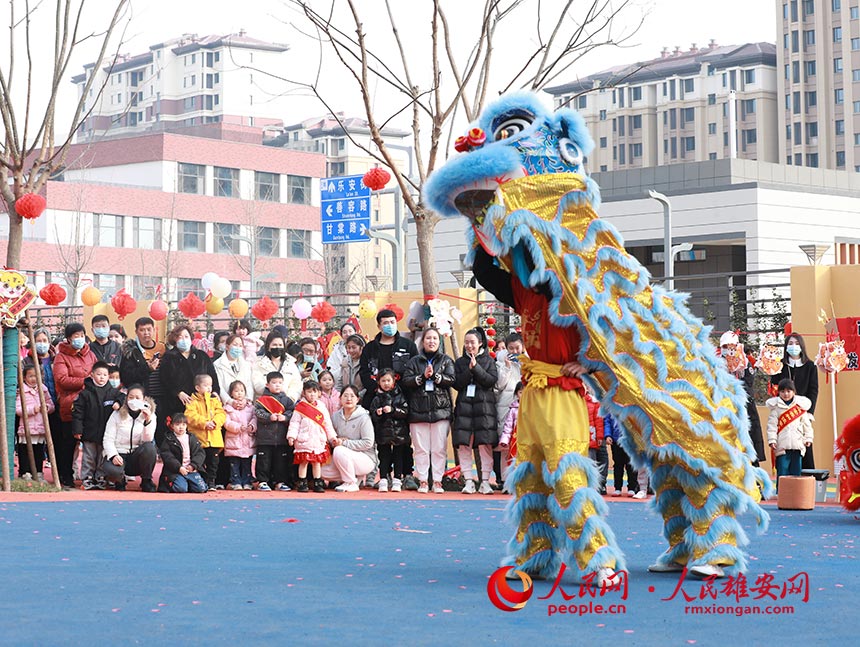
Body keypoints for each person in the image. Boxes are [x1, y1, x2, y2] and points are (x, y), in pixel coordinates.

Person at [360, 309, 418, 488]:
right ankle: (383, 475)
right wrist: (376, 390)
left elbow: (414, 369)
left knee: (403, 440)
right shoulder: (370, 348)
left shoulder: (407, 346)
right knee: (382, 441)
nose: (389, 326)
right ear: (378, 325)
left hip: (402, 401)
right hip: (377, 401)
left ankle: (406, 475)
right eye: (385, 323)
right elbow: (364, 372)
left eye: (392, 322)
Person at [401, 327, 456, 494]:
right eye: (428, 338)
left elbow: (452, 379)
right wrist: (422, 377)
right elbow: (406, 381)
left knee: (439, 448)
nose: (431, 341)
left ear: (439, 342)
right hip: (418, 411)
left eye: (434, 339)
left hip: (441, 411)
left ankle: (438, 480)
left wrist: (436, 377)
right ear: (422, 341)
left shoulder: (446, 360)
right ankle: (423, 479)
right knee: (421, 448)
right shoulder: (414, 361)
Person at [452, 328, 498, 495]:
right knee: (464, 445)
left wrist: (477, 368)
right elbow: (456, 383)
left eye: (472, 342)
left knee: (485, 445)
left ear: (480, 343)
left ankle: (485, 481)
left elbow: (491, 381)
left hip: (484, 409)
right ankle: (468, 481)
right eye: (467, 342)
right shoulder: (459, 362)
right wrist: (469, 369)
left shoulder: (489, 360)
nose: (469, 345)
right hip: (464, 408)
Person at [53, 322, 96, 489]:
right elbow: (62, 380)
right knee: (69, 443)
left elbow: (97, 372)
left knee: (91, 442)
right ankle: (66, 474)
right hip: (70, 404)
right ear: (68, 338)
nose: (79, 339)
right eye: (75, 336)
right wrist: (85, 382)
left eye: (81, 335)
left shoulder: (90, 355)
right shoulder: (61, 357)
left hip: (90, 404)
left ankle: (91, 475)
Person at [160, 325, 220, 446]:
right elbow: (164, 378)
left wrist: (215, 392)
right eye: (180, 337)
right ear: (175, 339)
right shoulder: (169, 357)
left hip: (201, 403)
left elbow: (212, 375)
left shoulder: (201, 356)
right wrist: (178, 392)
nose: (183, 339)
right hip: (178, 403)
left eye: (186, 336)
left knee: (200, 437)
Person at [71, 361, 124, 490]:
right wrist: (78, 429)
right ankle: (87, 477)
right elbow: (78, 413)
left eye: (105, 375)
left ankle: (100, 477)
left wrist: (118, 402)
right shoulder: (85, 393)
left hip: (106, 434)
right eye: (99, 374)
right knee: (89, 456)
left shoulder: (112, 392)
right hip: (89, 432)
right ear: (92, 375)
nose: (102, 377)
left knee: (102, 456)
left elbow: (123, 398)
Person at [770, 333, 819, 469]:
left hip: (801, 413)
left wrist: (809, 412)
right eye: (790, 343)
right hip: (783, 413)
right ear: (786, 347)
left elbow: (813, 390)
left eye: (796, 343)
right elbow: (774, 388)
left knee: (805, 448)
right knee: (784, 452)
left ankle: (808, 482)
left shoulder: (810, 366)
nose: (793, 346)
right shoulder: (779, 366)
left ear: (801, 346)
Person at [719, 331, 765, 466]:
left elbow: (748, 384)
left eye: (731, 346)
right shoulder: (717, 364)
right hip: (725, 410)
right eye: (725, 346)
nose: (728, 350)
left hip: (745, 409)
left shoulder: (745, 364)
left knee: (749, 443)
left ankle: (755, 479)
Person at [102, 385, 158, 492]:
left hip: (136, 456)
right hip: (119, 454)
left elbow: (147, 440)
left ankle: (146, 481)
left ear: (144, 399)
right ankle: (120, 480)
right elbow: (108, 438)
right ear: (126, 398)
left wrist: (147, 421)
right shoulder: (116, 414)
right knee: (112, 470)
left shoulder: (151, 415)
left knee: (150, 448)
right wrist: (113, 455)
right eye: (131, 397)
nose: (134, 400)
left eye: (137, 398)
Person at [324, 385, 379, 492]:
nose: (348, 399)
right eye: (345, 396)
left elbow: (368, 443)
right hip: (343, 457)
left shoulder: (364, 417)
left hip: (365, 458)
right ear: (340, 398)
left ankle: (350, 482)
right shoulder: (335, 417)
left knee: (340, 450)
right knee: (322, 471)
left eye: (352, 396)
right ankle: (355, 477)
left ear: (357, 399)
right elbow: (331, 436)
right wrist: (334, 441)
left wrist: (344, 443)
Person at [288, 380, 336, 493]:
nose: (312, 394)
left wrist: (332, 437)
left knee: (316, 463)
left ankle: (317, 482)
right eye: (309, 392)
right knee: (303, 462)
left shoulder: (322, 407)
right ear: (304, 393)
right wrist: (291, 436)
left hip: (318, 440)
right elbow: (294, 423)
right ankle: (302, 482)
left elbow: (327, 423)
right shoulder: (300, 407)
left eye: (314, 392)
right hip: (304, 440)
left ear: (319, 393)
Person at [767, 378, 814, 483]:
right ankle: (782, 493)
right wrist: (772, 440)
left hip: (797, 445)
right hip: (782, 445)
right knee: (782, 470)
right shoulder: (776, 409)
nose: (786, 394)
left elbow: (807, 425)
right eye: (782, 391)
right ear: (778, 392)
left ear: (794, 392)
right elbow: (772, 426)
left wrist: (808, 438)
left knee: (796, 472)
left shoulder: (800, 408)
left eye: (789, 391)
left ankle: (795, 493)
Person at [254, 372, 296, 491]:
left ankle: (280, 481)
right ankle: (262, 481)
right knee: (263, 461)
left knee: (280, 462)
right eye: (274, 383)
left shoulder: (287, 400)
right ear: (267, 384)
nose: (277, 385)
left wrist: (285, 417)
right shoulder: (261, 400)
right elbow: (257, 412)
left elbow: (292, 412)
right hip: (265, 438)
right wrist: (269, 417)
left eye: (280, 383)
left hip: (281, 438)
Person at [184, 374, 227, 491]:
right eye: (206, 385)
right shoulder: (192, 401)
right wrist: (204, 423)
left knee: (213, 462)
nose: (209, 388)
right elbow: (190, 416)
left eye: (211, 385)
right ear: (197, 387)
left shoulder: (215, 400)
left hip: (214, 438)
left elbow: (221, 414)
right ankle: (202, 481)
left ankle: (211, 481)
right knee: (199, 462)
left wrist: (215, 422)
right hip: (199, 438)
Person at [370, 369, 409, 492]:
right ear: (378, 382)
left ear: (393, 381)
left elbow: (405, 412)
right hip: (383, 433)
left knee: (398, 456)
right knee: (384, 456)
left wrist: (393, 410)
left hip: (399, 432)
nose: (386, 383)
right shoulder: (376, 398)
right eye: (383, 381)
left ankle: (397, 479)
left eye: (388, 380)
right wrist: (378, 413)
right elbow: (372, 415)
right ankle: (383, 479)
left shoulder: (400, 395)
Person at [494, 332, 525, 486]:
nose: (514, 352)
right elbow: (499, 385)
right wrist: (506, 368)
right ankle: (506, 481)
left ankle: (522, 480)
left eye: (517, 348)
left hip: (525, 408)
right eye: (510, 348)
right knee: (505, 445)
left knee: (524, 445)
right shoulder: (500, 362)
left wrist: (524, 365)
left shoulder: (529, 362)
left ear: (523, 347)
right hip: (506, 407)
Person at [15, 363, 55, 481]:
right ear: (24, 377)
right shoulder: (21, 390)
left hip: (41, 426)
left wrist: (46, 408)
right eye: (30, 376)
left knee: (39, 450)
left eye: (36, 376)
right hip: (27, 427)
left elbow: (51, 405)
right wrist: (33, 410)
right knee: (25, 450)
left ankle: (38, 472)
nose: (34, 379)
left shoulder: (43, 389)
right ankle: (24, 472)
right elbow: (18, 409)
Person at [119, 317, 165, 409]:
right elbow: (126, 377)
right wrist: (147, 369)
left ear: (154, 330)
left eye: (149, 329)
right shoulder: (130, 352)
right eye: (142, 330)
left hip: (163, 397)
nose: (146, 333)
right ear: (136, 332)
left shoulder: (163, 348)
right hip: (142, 397)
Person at [157, 414, 208, 493]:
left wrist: (193, 466)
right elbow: (167, 456)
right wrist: (179, 467)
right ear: (172, 426)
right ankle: (175, 483)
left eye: (183, 424)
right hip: (175, 471)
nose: (181, 427)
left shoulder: (192, 438)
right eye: (177, 425)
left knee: (201, 489)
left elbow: (200, 453)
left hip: (191, 470)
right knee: (180, 489)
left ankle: (189, 483)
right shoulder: (169, 439)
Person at [223, 380, 257, 490]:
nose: (239, 393)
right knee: (234, 464)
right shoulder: (227, 408)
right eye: (236, 391)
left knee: (247, 463)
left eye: (242, 391)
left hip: (247, 440)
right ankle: (235, 482)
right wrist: (238, 427)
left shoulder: (250, 407)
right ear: (231, 393)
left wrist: (252, 426)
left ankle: (247, 482)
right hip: (234, 441)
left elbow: (255, 418)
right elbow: (226, 423)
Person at [252, 331, 302, 402]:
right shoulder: (258, 363)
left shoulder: (291, 364)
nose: (277, 347)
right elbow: (256, 383)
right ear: (268, 346)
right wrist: (273, 390)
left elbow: (296, 384)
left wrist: (289, 398)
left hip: (286, 404)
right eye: (274, 345)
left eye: (280, 345)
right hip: (265, 403)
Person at [213, 334, 254, 408]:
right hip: (226, 405)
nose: (238, 348)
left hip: (244, 405)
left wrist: (246, 399)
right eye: (235, 345)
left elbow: (249, 384)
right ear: (227, 347)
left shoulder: (246, 365)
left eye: (240, 345)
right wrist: (230, 401)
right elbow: (219, 386)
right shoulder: (218, 364)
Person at [605, 413, 637, 497]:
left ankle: (632, 488)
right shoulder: (611, 408)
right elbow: (607, 421)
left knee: (631, 464)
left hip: (630, 441)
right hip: (616, 440)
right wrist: (608, 435)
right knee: (618, 464)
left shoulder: (632, 407)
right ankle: (617, 488)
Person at [498, 382, 523, 487]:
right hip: (515, 441)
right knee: (513, 461)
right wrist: (504, 440)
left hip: (529, 440)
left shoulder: (533, 409)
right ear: (517, 394)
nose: (523, 395)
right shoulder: (513, 410)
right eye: (521, 392)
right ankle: (512, 484)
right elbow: (508, 427)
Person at [585, 390, 608, 495]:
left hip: (591, 437)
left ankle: (594, 485)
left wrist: (599, 436)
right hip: (578, 436)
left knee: (592, 461)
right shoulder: (574, 400)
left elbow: (598, 421)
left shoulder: (594, 402)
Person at [327, 322, 357, 386]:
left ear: (355, 332)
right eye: (344, 332)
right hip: (340, 385)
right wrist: (343, 369)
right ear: (341, 335)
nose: (348, 334)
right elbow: (331, 372)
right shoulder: (336, 351)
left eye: (350, 331)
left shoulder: (362, 349)